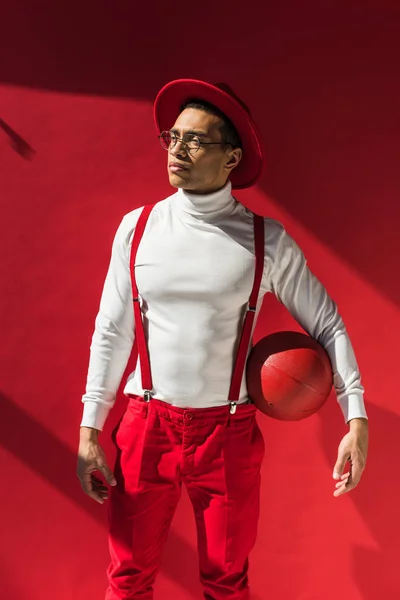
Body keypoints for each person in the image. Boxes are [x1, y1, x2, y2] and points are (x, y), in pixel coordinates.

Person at [77, 79, 369, 600]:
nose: (177, 150)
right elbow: (111, 330)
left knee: (227, 581)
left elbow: (328, 323)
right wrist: (89, 427)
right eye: (172, 137)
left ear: (231, 157)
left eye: (195, 140)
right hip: (146, 427)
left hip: (227, 435)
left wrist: (356, 417)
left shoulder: (265, 240)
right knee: (127, 577)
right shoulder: (138, 228)